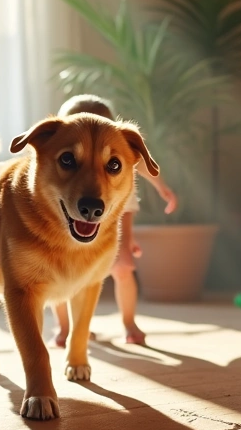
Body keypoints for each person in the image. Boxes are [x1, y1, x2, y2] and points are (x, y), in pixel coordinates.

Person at [51, 94, 177, 346]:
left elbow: (144, 165)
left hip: (119, 212)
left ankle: (129, 322)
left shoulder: (120, 150)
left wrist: (161, 187)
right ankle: (65, 327)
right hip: (74, 210)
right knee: (60, 274)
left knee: (122, 267)